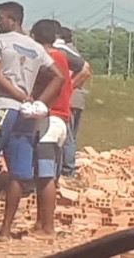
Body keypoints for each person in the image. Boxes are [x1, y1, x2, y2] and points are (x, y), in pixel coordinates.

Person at [0, 2, 64, 242]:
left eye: (0, 18)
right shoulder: (36, 47)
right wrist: (39, 102)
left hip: (0, 109)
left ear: (12, 19)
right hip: (25, 116)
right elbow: (59, 76)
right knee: (18, 172)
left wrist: (21, 96)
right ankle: (5, 232)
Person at [29, 19, 73, 238]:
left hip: (50, 121)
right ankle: (41, 223)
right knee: (44, 174)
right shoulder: (61, 57)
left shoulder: (49, 60)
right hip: (59, 120)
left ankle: (48, 227)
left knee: (45, 175)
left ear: (34, 36)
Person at [54, 27, 91, 178]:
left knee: (66, 137)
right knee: (71, 136)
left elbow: (85, 70)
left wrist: (68, 88)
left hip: (68, 98)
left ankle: (67, 172)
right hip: (78, 98)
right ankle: (68, 169)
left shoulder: (61, 51)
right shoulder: (74, 51)